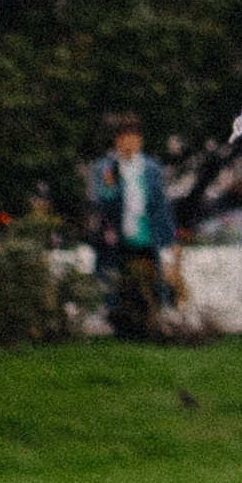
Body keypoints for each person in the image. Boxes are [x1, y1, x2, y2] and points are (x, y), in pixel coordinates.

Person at [85, 115, 177, 340]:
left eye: (134, 138)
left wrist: (170, 239)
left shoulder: (151, 168)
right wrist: (111, 187)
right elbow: (102, 201)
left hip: (147, 234)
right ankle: (115, 321)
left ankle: (152, 322)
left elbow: (160, 205)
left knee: (150, 279)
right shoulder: (105, 167)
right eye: (124, 138)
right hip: (116, 235)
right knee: (114, 278)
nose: (129, 143)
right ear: (117, 141)